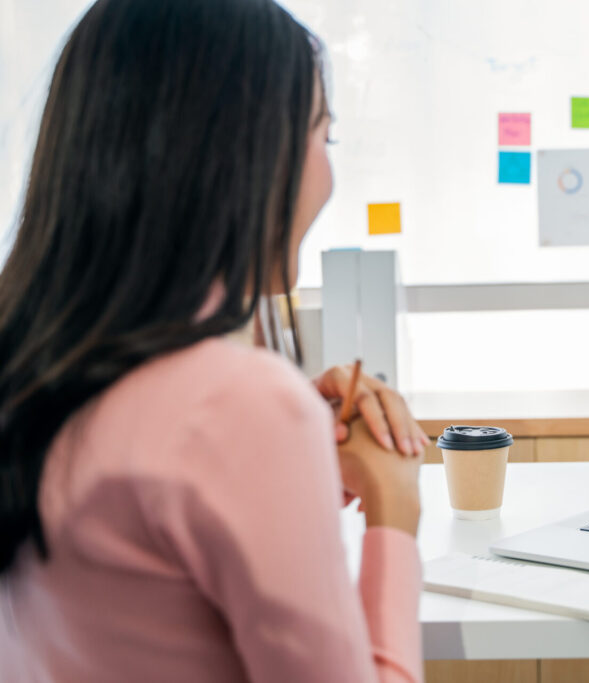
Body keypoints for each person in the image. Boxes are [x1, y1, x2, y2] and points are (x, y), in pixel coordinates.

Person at [0, 1, 429, 680]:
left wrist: (300, 453)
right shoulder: (241, 404)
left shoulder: (27, 364)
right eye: (325, 134)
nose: (329, 174)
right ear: (243, 155)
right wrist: (395, 511)